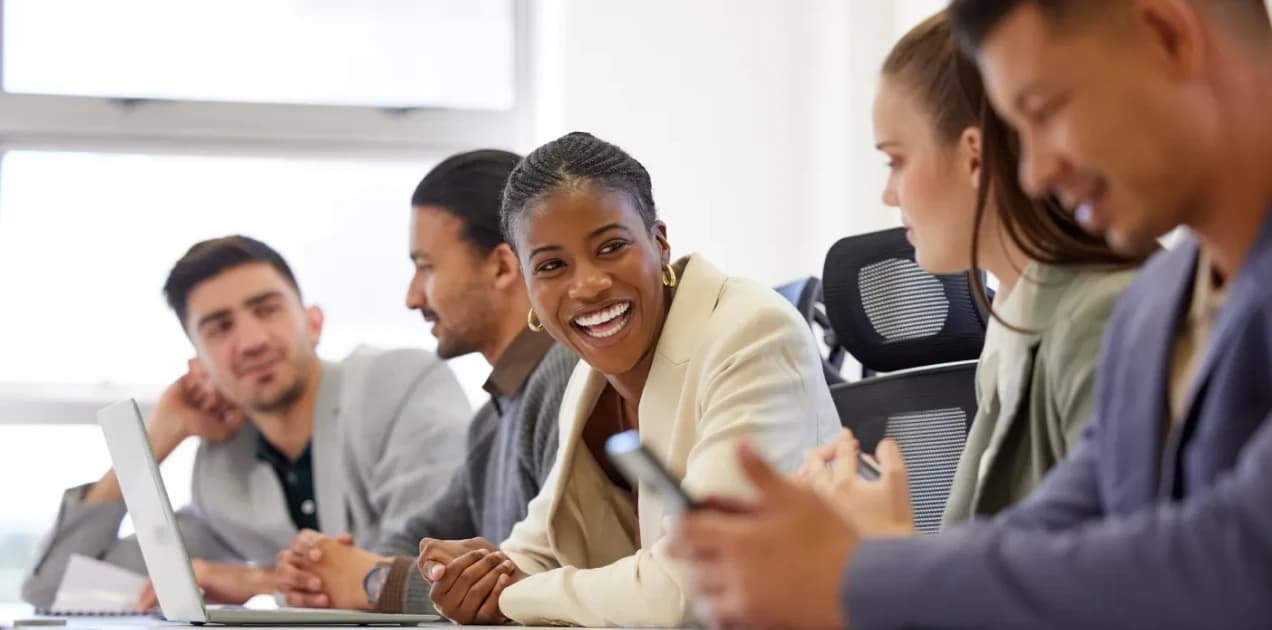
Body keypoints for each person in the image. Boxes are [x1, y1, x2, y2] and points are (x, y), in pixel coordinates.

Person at [671, 0, 1272, 627]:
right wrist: (832, 560)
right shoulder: (1154, 307)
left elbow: (1241, 559)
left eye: (1046, 109)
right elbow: (1054, 529)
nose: (1033, 174)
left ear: (1167, 36)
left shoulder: (1110, 307)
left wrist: (859, 575)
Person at [416, 132, 840, 627]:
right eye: (552, 265)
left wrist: (514, 594)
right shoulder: (588, 379)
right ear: (527, 284)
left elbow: (698, 584)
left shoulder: (753, 334)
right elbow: (538, 551)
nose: (589, 285)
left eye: (611, 247)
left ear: (659, 243)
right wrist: (477, 578)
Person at [798, 11, 1144, 530]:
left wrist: (890, 549)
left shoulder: (1099, 322)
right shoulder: (1012, 316)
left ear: (974, 158)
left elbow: (1112, 570)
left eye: (896, 161)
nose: (888, 193)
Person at [22, 236, 471, 610]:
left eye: (267, 309)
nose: (251, 341)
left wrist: (254, 581)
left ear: (314, 323)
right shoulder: (222, 474)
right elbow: (55, 587)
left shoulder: (402, 384)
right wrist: (161, 433)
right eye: (220, 328)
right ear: (199, 362)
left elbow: (423, 577)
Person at [269, 150, 578, 614]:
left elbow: (549, 587)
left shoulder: (567, 380)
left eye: (426, 267)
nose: (413, 297)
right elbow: (414, 540)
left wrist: (374, 581)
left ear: (501, 266)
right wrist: (327, 568)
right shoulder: (492, 421)